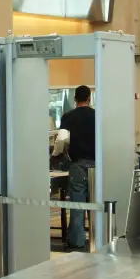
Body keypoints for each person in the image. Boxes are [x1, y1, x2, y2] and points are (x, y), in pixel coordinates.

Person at [51, 85, 95, 250]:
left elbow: (62, 140)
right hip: (97, 165)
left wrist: (55, 155)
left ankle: (77, 242)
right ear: (89, 98)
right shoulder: (97, 116)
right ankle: (98, 239)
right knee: (96, 204)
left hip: (78, 165)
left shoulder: (68, 117)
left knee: (78, 204)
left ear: (75, 99)